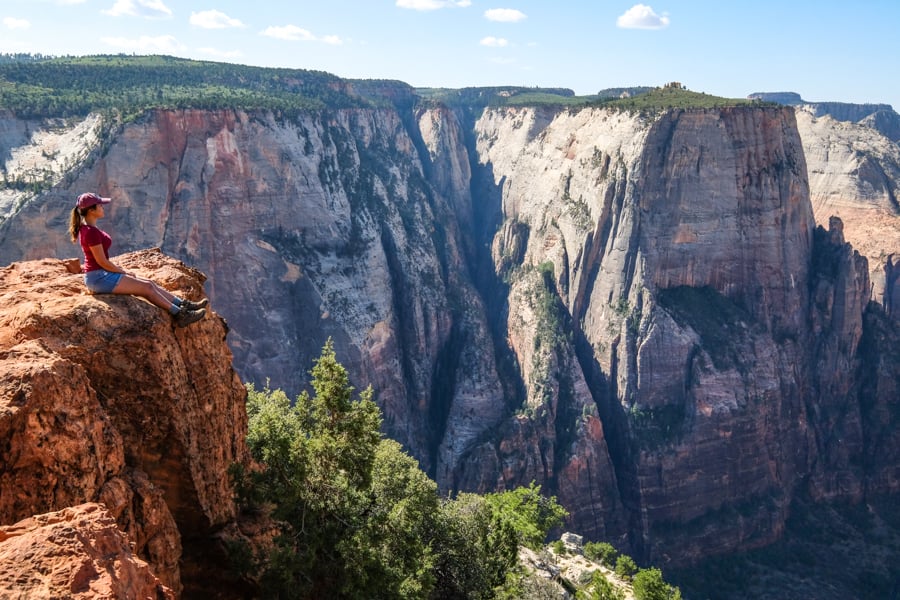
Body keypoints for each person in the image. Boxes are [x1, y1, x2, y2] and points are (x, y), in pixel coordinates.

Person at [68, 192, 207, 327]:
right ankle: (180, 314)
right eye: (100, 205)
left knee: (149, 283)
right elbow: (102, 262)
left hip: (100, 275)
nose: (102, 207)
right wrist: (122, 272)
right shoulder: (91, 232)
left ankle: (183, 304)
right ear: (92, 210)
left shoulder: (89, 228)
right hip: (98, 278)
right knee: (146, 288)